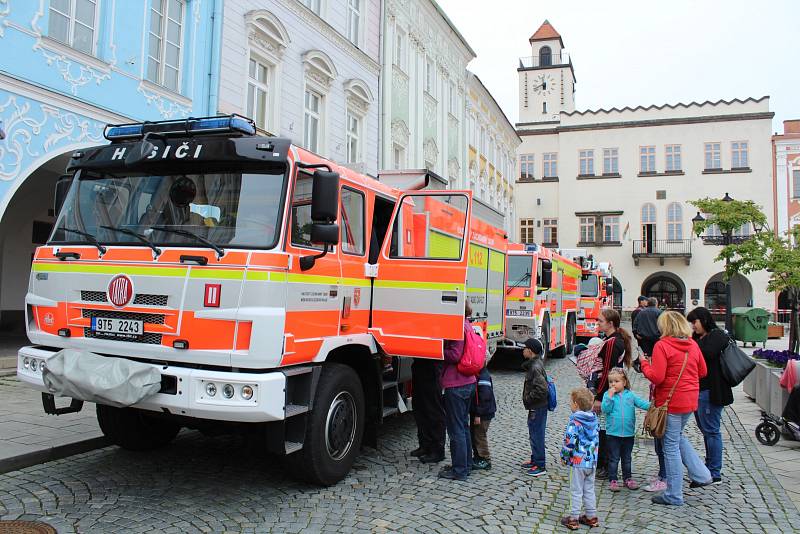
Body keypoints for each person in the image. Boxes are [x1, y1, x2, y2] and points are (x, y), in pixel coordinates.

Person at [641, 311, 712, 506]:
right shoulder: (693, 345)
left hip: (670, 402)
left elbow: (657, 377)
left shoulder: (662, 346)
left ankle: (674, 494)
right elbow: (703, 371)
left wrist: (645, 365)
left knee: (670, 447)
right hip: (689, 400)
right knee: (677, 437)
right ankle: (702, 474)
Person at [687, 306, 732, 484]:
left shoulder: (717, 336)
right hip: (699, 390)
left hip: (712, 390)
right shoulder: (698, 338)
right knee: (706, 431)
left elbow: (706, 353)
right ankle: (709, 466)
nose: (693, 326)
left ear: (704, 320)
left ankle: (715, 471)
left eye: (694, 322)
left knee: (712, 431)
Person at [590, 308, 633, 479]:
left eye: (600, 321)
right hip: (611, 391)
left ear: (611, 323)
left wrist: (599, 397)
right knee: (604, 429)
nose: (597, 323)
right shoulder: (613, 340)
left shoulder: (612, 343)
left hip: (608, 393)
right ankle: (606, 464)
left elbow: (608, 371)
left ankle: (606, 465)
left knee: (604, 431)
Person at [438, 302, 478, 481]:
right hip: (468, 381)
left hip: (456, 383)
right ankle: (466, 464)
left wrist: (438, 350)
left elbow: (455, 355)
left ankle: (459, 469)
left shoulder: (457, 327)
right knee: (463, 426)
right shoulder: (468, 325)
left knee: (456, 430)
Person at [601, 367, 650, 491]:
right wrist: (609, 397)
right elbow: (605, 409)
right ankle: (613, 480)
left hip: (628, 434)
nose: (613, 384)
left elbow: (642, 403)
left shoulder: (630, 395)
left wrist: (654, 406)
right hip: (613, 433)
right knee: (614, 458)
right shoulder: (608, 395)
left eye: (616, 381)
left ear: (624, 382)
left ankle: (627, 478)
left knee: (627, 458)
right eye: (611, 382)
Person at [560, 388, 600, 530]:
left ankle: (573, 518)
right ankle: (591, 517)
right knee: (589, 489)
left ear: (576, 404)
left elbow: (569, 442)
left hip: (578, 462)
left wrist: (564, 456)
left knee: (576, 491)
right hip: (591, 462)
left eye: (571, 402)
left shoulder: (575, 422)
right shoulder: (595, 420)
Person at [521, 337, 549, 477]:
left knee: (537, 435)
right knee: (534, 434)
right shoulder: (535, 364)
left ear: (530, 351)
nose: (523, 350)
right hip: (536, 407)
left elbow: (542, 389)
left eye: (524, 348)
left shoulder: (535, 367)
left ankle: (540, 465)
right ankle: (535, 460)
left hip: (537, 407)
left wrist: (528, 398)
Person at [410, 356, 446, 464]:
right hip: (420, 364)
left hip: (432, 367)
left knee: (433, 411)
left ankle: (437, 450)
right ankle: (425, 445)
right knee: (419, 408)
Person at [470, 365, 497, 470]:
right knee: (476, 435)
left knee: (479, 436)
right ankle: (478, 457)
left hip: (483, 413)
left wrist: (478, 414)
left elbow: (484, 397)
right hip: (482, 412)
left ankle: (485, 459)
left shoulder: (483, 376)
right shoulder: (481, 374)